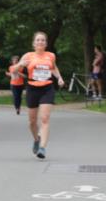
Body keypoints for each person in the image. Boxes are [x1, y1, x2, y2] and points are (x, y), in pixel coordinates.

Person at [11, 32, 65, 160]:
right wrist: (20, 64)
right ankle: (36, 139)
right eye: (38, 40)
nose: (40, 42)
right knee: (32, 122)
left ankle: (42, 148)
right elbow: (13, 71)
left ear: (46, 43)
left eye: (43, 40)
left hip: (47, 88)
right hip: (32, 88)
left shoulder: (51, 56)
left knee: (45, 118)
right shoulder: (28, 56)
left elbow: (54, 68)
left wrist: (59, 78)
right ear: (34, 43)